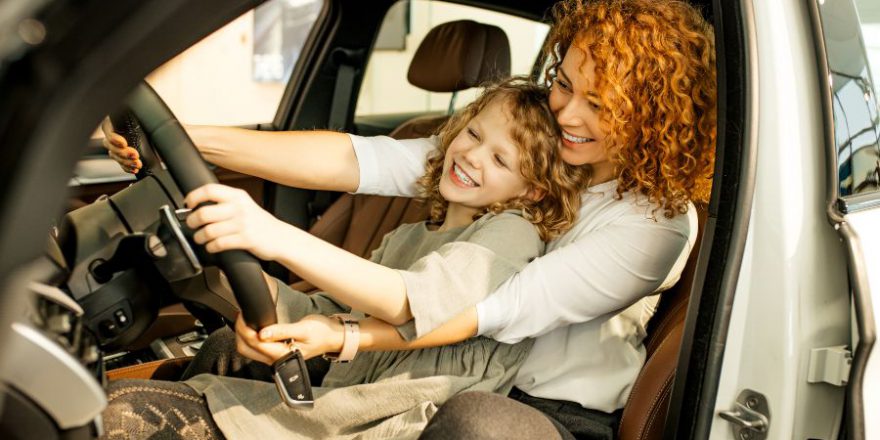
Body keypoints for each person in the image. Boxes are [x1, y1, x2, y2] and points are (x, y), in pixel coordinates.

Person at [103, 0, 716, 437]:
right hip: (439, 368)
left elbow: (487, 311)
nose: (566, 111)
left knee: (478, 426)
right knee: (227, 351)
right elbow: (360, 158)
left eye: (598, 104)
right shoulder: (532, 156)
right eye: (564, 84)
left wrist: (346, 336)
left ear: (652, 116)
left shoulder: (655, 223)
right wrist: (183, 138)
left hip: (540, 411)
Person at [101, 78, 591, 439]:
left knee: (119, 417)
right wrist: (242, 276)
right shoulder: (410, 234)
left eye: (501, 160)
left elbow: (408, 301)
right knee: (195, 363)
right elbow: (332, 314)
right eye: (473, 135)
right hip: (341, 395)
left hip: (385, 420)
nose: (473, 156)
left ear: (532, 190)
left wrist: (271, 234)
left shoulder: (511, 236)